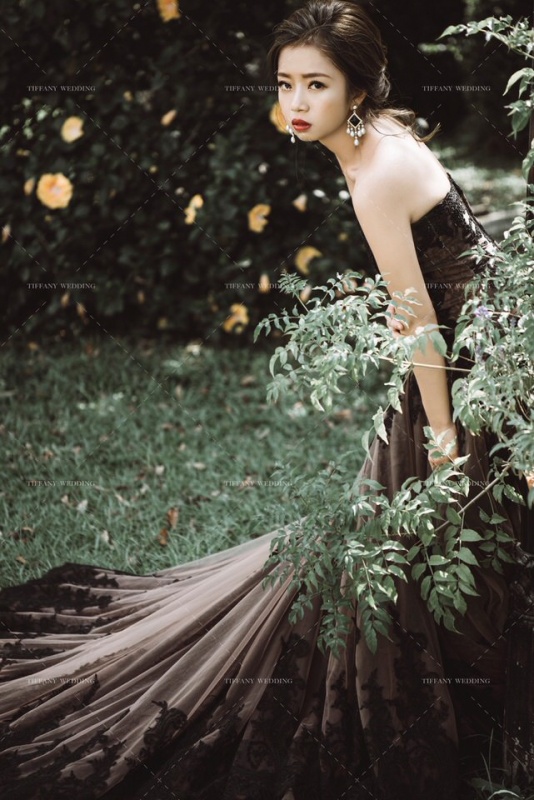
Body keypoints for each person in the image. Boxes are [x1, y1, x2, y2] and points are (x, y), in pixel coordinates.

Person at [0, 2, 530, 798]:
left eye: (317, 84)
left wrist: (445, 433)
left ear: (358, 89)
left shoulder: (378, 172)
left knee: (433, 522)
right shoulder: (379, 138)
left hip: (468, 363)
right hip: (480, 344)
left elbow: (421, 315)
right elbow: (444, 272)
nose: (297, 103)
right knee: (405, 536)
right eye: (286, 84)